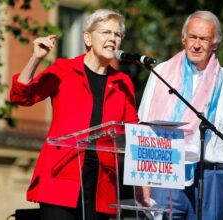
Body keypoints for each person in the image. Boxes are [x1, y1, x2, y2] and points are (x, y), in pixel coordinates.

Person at [9, 9, 139, 220]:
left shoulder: (122, 83)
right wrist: (35, 58)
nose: (112, 39)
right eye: (106, 32)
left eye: (117, 34)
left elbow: (133, 132)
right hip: (62, 175)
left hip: (102, 183)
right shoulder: (64, 69)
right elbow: (21, 96)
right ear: (88, 38)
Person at [138, 10, 223, 220]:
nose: (197, 45)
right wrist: (142, 182)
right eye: (192, 37)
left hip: (212, 176)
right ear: (184, 39)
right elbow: (144, 126)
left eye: (204, 39)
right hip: (166, 172)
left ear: (215, 44)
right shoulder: (162, 73)